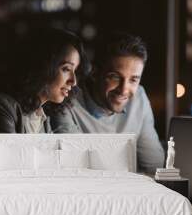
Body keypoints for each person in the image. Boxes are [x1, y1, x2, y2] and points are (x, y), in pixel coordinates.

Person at [0, 28, 88, 180]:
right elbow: (11, 176)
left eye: (75, 70)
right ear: (42, 66)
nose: (73, 81)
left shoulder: (41, 117)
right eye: (66, 69)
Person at [49, 32, 164, 173]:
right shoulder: (66, 97)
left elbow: (154, 166)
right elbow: (76, 168)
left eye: (133, 80)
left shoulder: (139, 97)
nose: (124, 90)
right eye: (115, 77)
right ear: (94, 73)